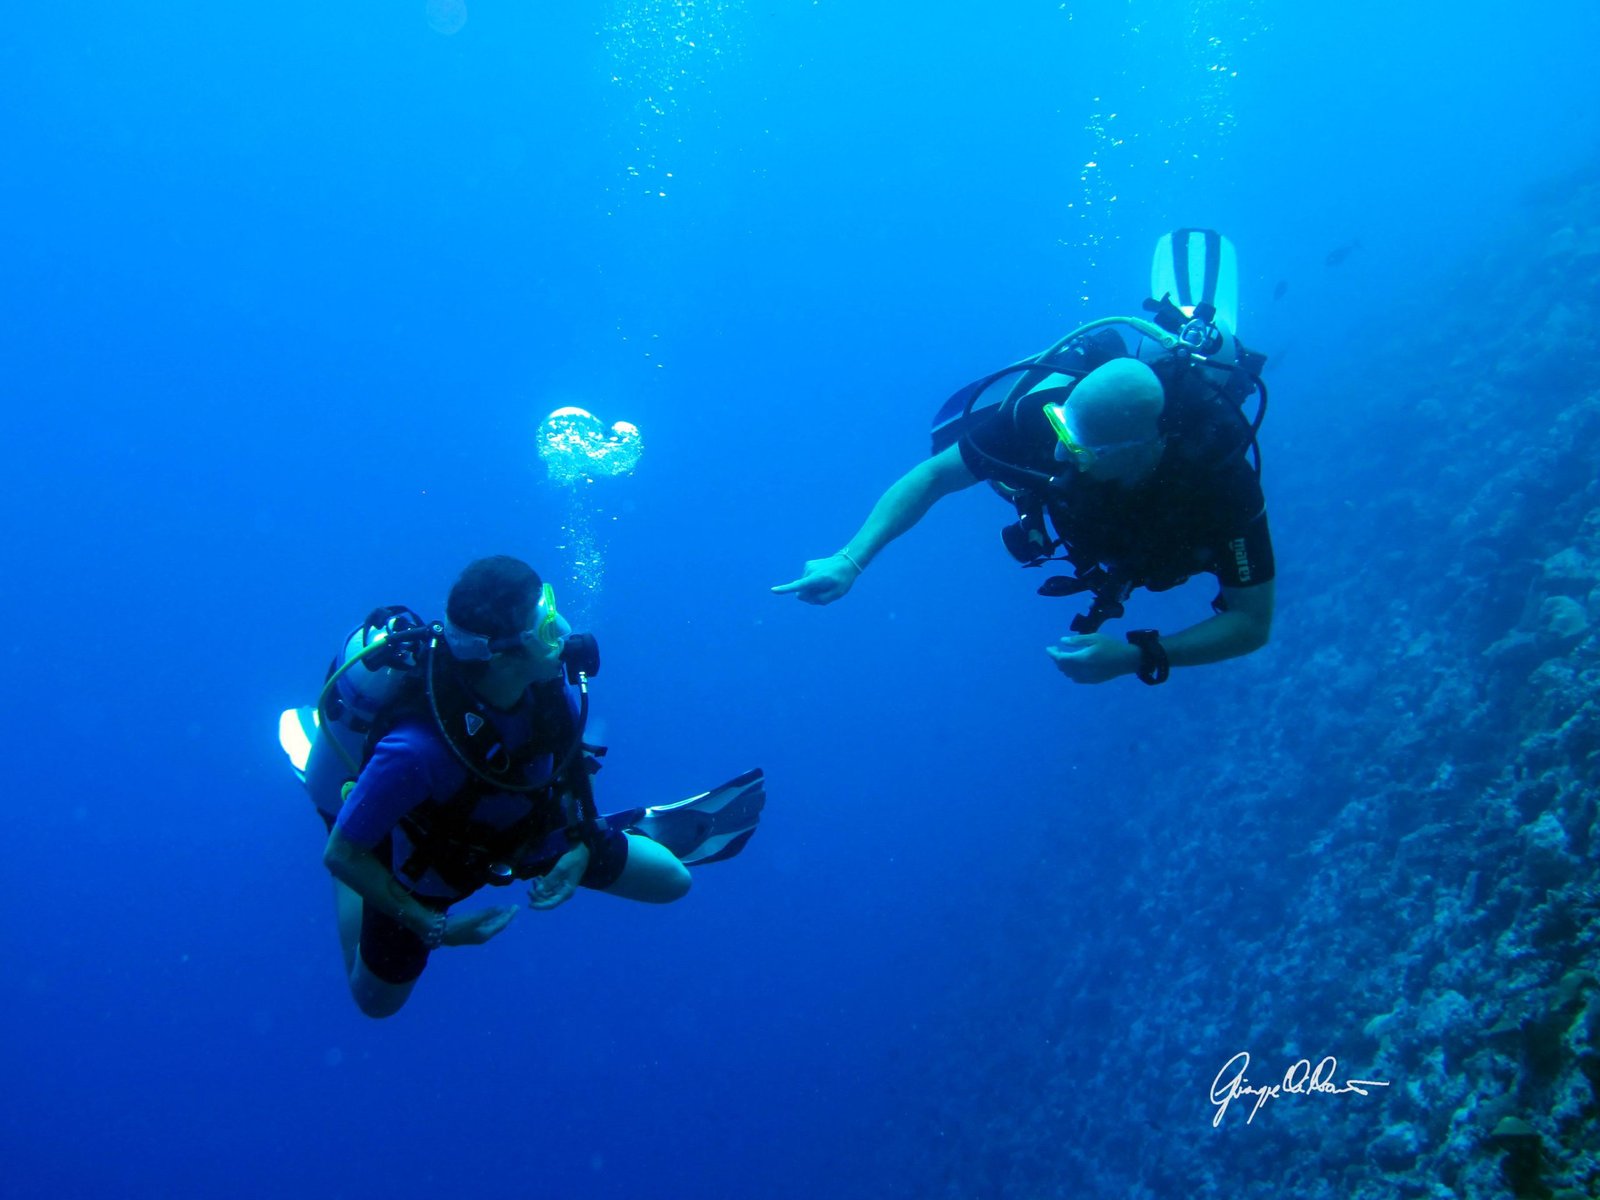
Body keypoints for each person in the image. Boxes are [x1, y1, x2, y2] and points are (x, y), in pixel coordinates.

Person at [774, 236, 1276, 686]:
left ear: (1141, 448)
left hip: (1164, 512)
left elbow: (1251, 622)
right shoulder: (1041, 413)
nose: (1059, 452)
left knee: (1213, 357)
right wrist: (850, 559)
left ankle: (1213, 340)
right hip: (1115, 496)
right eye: (1061, 430)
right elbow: (933, 477)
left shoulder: (1220, 480)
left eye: (1078, 449)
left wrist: (1135, 656)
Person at [310, 555, 694, 1018]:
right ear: (502, 655)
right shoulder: (414, 751)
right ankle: (342, 808)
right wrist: (435, 926)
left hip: (527, 834)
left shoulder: (547, 681)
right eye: (546, 625)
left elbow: (570, 765)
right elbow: (341, 855)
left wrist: (580, 846)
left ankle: (618, 833)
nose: (563, 631)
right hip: (425, 871)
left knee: (674, 882)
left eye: (550, 608)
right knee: (374, 1003)